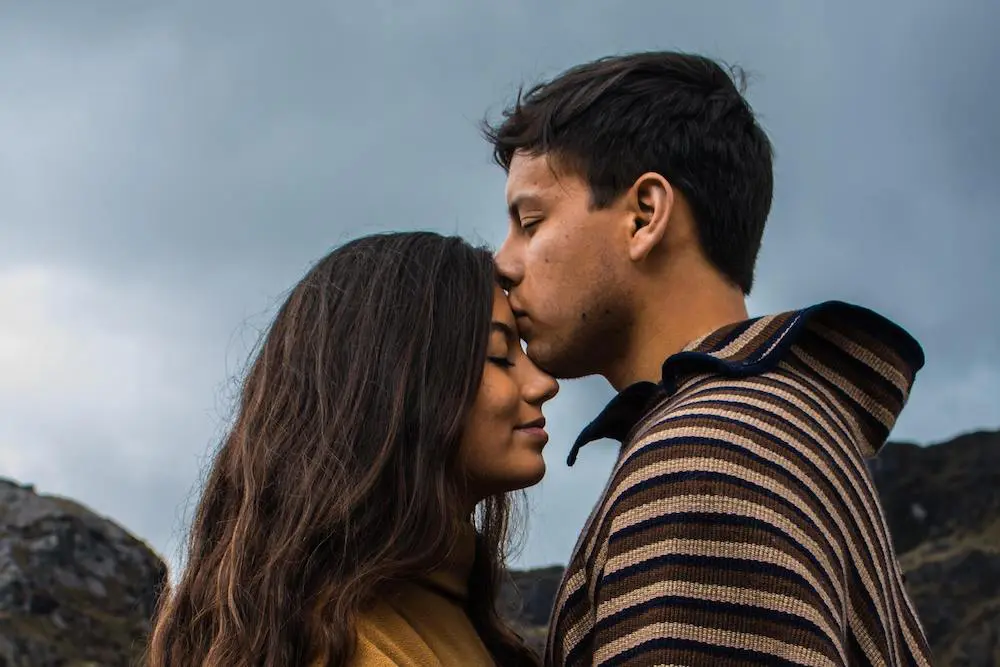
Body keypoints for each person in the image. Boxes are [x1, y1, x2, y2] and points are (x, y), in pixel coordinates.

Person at [485, 51, 933, 666]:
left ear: (644, 215)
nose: (503, 262)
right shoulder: (775, 425)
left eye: (530, 222)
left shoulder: (703, 461)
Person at [145, 231, 559, 667]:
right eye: (499, 355)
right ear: (397, 389)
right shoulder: (352, 648)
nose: (543, 383)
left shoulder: (448, 610)